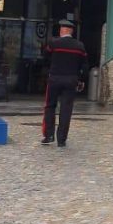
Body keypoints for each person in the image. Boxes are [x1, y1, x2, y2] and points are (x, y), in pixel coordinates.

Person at [41, 19, 87, 147]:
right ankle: (62, 139)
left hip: (54, 78)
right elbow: (84, 65)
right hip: (71, 80)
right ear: (71, 31)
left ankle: (49, 135)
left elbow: (44, 58)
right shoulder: (79, 46)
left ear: (62, 30)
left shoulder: (54, 43)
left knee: (50, 106)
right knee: (66, 109)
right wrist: (81, 79)